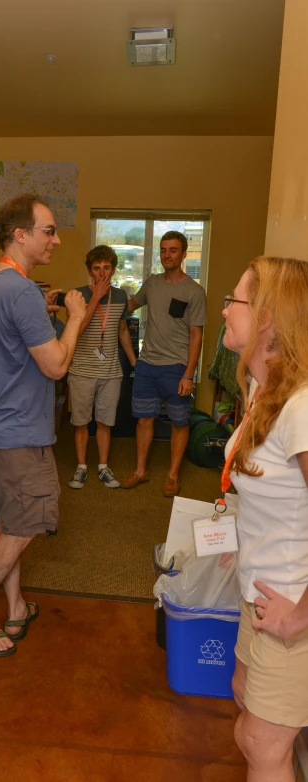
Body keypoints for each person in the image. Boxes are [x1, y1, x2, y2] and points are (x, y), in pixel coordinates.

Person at [0, 193, 86, 657]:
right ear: (20, 234)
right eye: (48, 230)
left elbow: (11, 337)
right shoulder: (22, 292)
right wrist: (74, 318)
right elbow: (55, 365)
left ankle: (14, 607)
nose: (55, 239)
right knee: (23, 527)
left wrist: (44, 313)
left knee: (12, 521)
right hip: (19, 434)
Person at [221, 256, 308, 782]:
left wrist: (301, 616)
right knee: (243, 711)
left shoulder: (301, 408)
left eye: (235, 301)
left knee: (261, 742)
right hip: (256, 593)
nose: (226, 310)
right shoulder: (262, 393)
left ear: (269, 318)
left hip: (291, 608)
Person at [121, 231, 206, 496]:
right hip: (147, 365)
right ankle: (140, 470)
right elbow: (130, 305)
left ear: (183, 254)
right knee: (144, 420)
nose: (166, 255)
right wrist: (106, 300)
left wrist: (189, 374)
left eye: (172, 250)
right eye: (163, 250)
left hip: (177, 368)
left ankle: (172, 475)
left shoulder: (194, 291)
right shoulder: (152, 283)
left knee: (179, 422)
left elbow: (196, 335)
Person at [67, 245, 136, 490]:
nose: (102, 273)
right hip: (82, 370)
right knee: (81, 422)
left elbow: (122, 331)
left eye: (107, 268)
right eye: (97, 268)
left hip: (111, 372)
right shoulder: (76, 295)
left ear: (114, 270)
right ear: (89, 271)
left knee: (106, 421)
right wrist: (94, 297)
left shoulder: (120, 297)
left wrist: (133, 360)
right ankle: (82, 467)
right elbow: (76, 330)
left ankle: (103, 467)